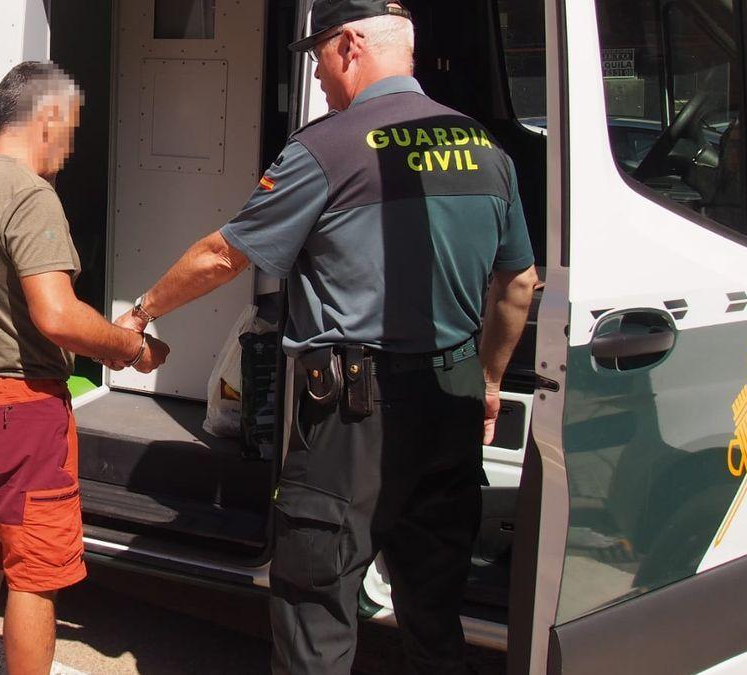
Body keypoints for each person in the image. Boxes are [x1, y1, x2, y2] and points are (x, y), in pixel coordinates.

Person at [111, 2, 539, 672]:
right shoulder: (488, 152)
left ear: (348, 46)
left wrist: (140, 312)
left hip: (352, 419)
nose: (319, 79)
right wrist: (486, 379)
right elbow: (519, 284)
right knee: (434, 609)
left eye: (318, 61)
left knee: (317, 612)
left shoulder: (326, 148)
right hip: (450, 404)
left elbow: (223, 255)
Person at [0, 61, 169, 675]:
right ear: (48, 118)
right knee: (35, 575)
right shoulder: (28, 195)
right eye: (70, 131)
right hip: (19, 410)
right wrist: (129, 348)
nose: (69, 148)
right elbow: (58, 317)